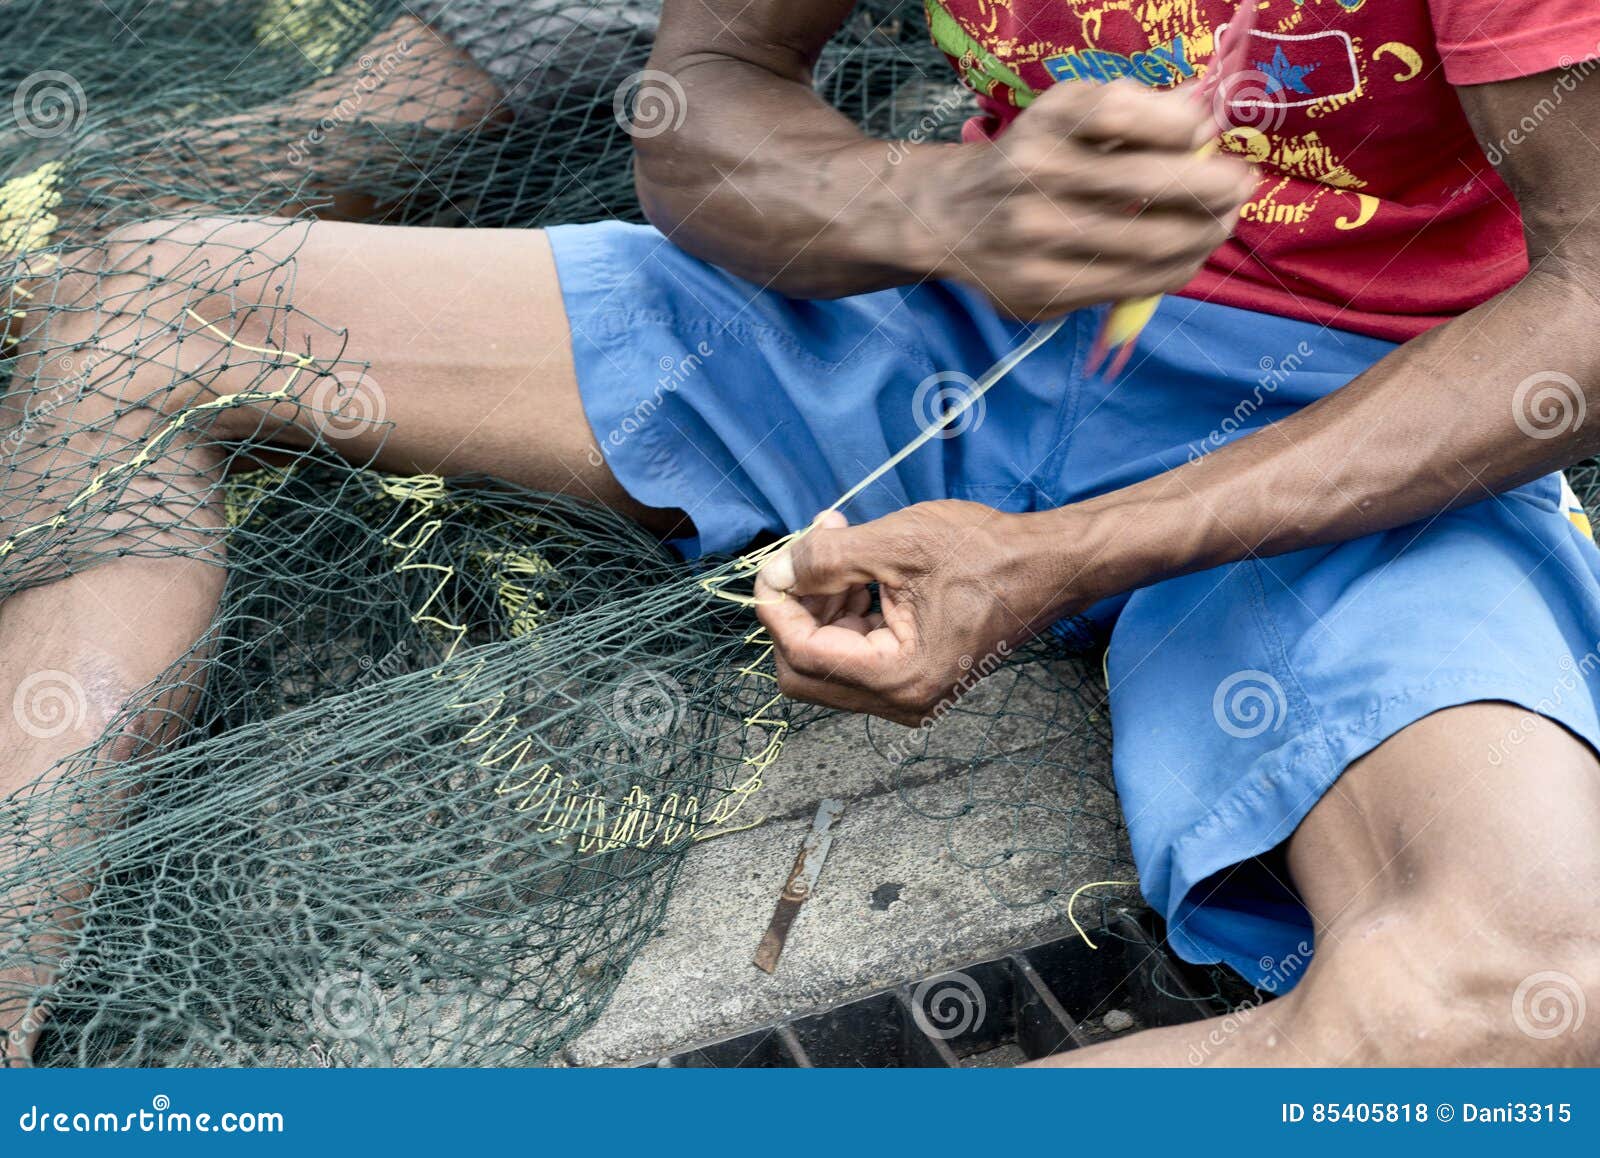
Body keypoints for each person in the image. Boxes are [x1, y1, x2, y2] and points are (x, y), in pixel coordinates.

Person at [4, 0, 1600, 1066]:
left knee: (1520, 994)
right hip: (935, 329)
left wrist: (1070, 551)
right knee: (140, 317)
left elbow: (1585, 302)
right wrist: (941, 211)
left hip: (1344, 422)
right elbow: (700, 97)